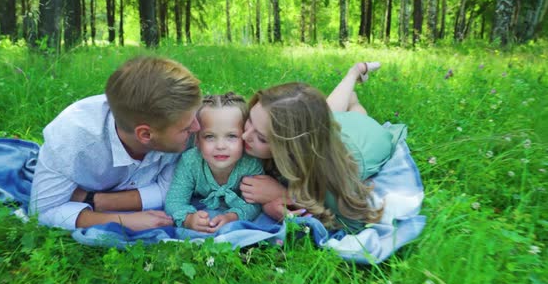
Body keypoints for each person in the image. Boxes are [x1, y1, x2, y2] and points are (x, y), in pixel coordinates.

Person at [29, 56, 202, 231]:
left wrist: (96, 200)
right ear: (145, 134)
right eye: (186, 128)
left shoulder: (181, 117)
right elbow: (42, 212)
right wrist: (120, 220)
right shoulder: (71, 141)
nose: (198, 127)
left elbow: (174, 190)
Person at [240, 62, 408, 232]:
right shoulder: (304, 132)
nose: (244, 136)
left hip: (364, 137)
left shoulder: (332, 175)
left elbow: (351, 225)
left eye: (261, 138)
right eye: (249, 120)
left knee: (356, 114)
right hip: (328, 129)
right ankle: (354, 73)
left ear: (293, 149)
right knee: (324, 114)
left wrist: (284, 195)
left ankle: (354, 103)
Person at [165, 93, 263, 233]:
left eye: (231, 136)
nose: (220, 146)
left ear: (245, 137)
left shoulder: (250, 164)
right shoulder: (190, 162)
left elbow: (255, 203)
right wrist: (189, 219)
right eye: (210, 136)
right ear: (197, 140)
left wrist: (232, 217)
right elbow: (174, 200)